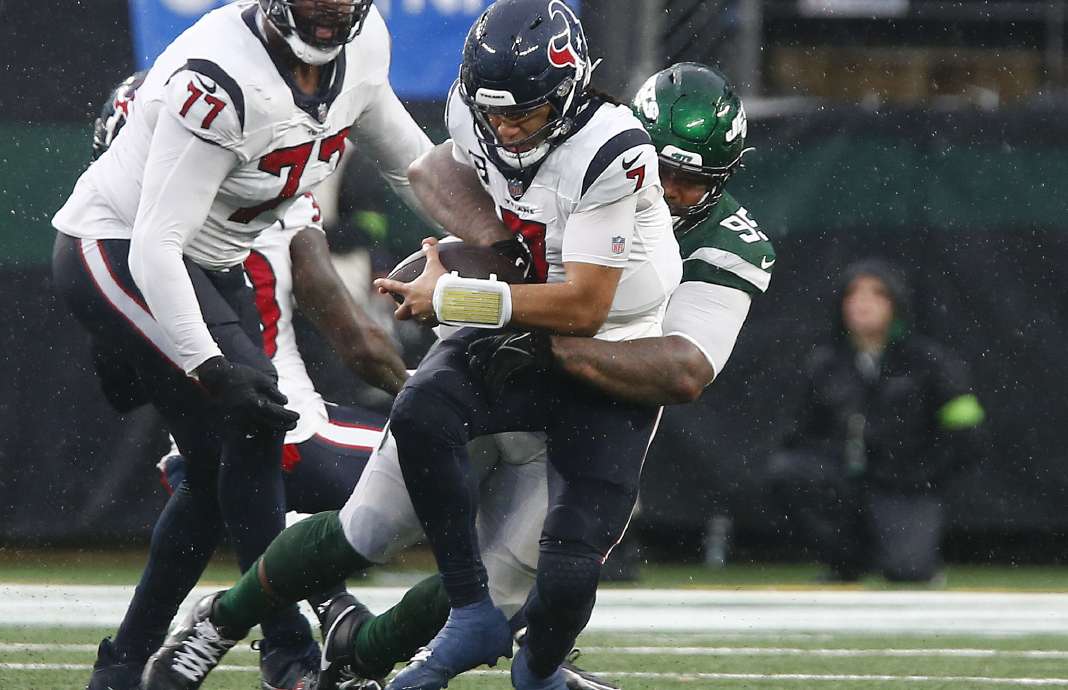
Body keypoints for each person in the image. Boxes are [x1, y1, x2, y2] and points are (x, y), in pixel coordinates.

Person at [139, 56, 772, 690]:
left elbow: (682, 368)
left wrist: (549, 344)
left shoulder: (726, 242)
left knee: (501, 588)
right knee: (369, 528)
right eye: (663, 170)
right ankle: (221, 619)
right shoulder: (577, 154)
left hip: (585, 413)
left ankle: (359, 657)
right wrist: (504, 250)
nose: (672, 191)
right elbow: (432, 169)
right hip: (493, 372)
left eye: (694, 181)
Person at [50, 0, 433, 687]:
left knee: (217, 469)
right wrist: (210, 365)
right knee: (251, 429)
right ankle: (292, 645)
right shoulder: (216, 82)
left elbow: (418, 170)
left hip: (206, 273)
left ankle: (131, 664)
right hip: (134, 255)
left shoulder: (350, 62)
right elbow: (152, 255)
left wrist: (493, 243)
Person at [769, 259, 983, 584]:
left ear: (896, 303)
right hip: (843, 481)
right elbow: (798, 433)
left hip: (906, 484)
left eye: (877, 293)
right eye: (853, 294)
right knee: (790, 472)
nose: (862, 303)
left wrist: (922, 473)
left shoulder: (930, 361)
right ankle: (846, 561)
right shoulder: (824, 364)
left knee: (908, 572)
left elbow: (967, 432)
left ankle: (901, 550)